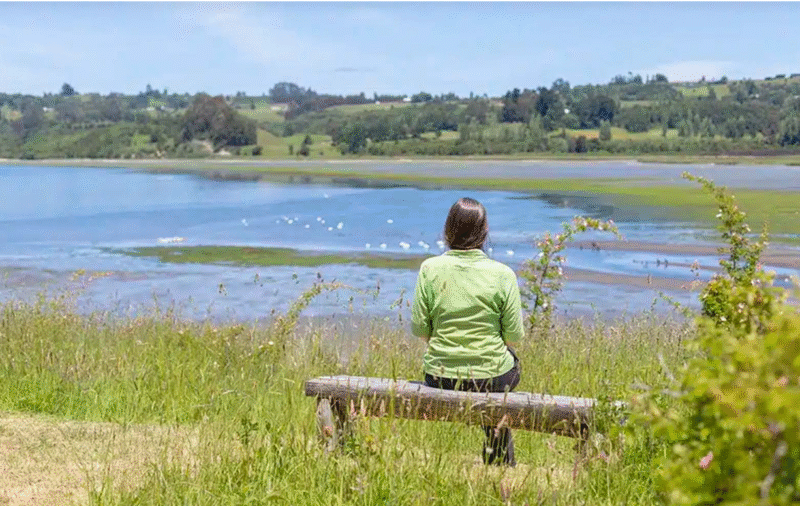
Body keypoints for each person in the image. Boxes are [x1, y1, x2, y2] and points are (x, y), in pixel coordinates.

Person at [411, 197, 524, 466]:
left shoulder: (429, 269)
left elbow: (419, 329)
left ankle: (497, 461)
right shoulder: (502, 274)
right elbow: (514, 336)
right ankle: (499, 463)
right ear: (485, 233)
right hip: (492, 376)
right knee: (510, 367)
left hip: (440, 375)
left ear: (447, 231)